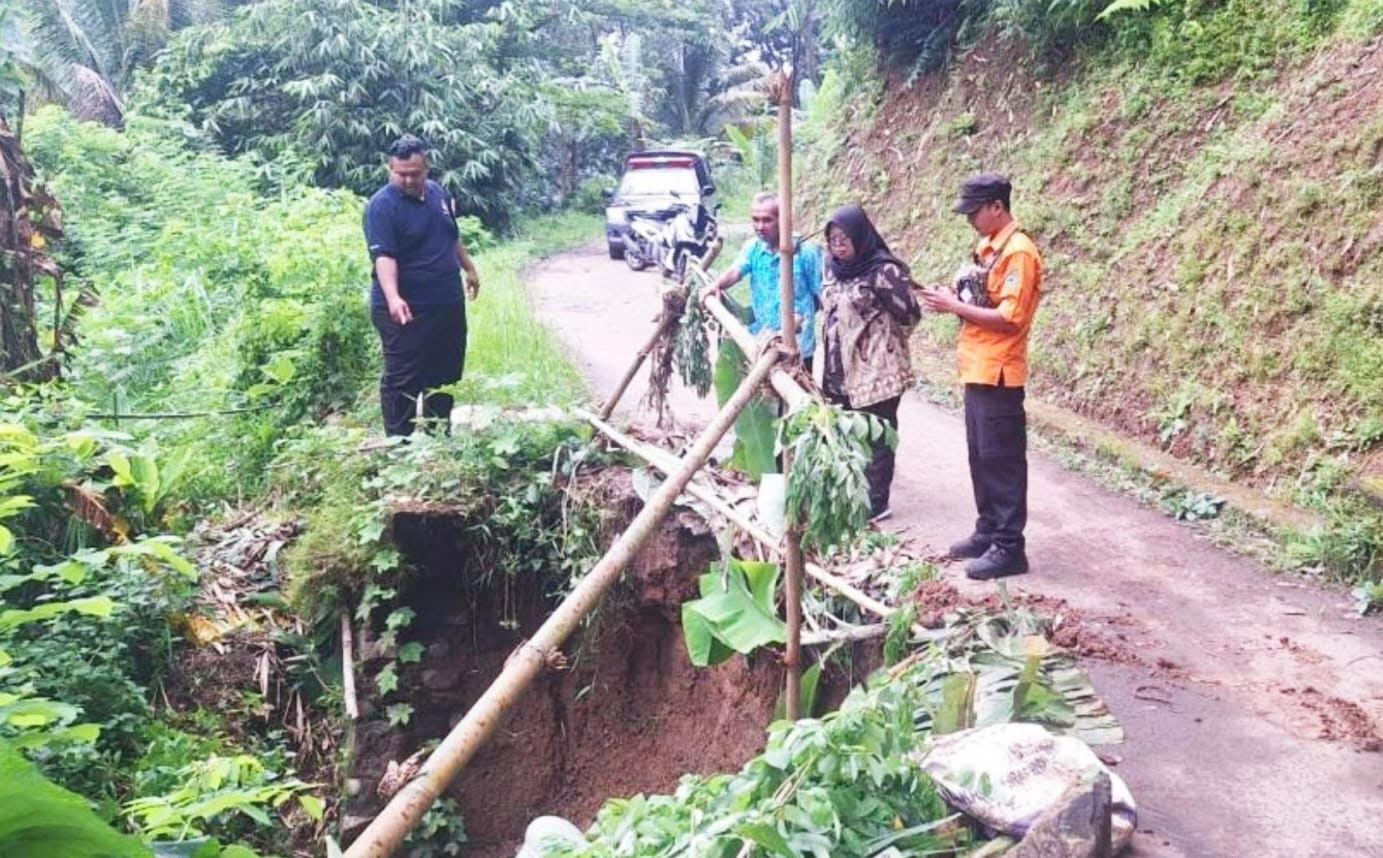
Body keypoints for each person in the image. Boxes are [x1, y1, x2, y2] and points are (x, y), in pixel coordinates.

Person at [920, 173, 1044, 580]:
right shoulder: (988, 248)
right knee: (980, 456)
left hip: (1000, 371)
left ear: (996, 207)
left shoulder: (1019, 253)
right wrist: (951, 299)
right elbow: (978, 298)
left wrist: (954, 306)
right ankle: (988, 530)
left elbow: (1010, 318)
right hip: (976, 367)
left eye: (975, 212)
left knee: (1002, 461)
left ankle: (1010, 547)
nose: (970, 220)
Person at [363, 135, 480, 436]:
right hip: (406, 308)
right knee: (403, 379)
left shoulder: (438, 194)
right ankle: (398, 449)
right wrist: (393, 297)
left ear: (427, 169)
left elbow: (449, 235)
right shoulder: (381, 207)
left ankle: (437, 437)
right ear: (390, 170)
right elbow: (383, 257)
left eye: (415, 173)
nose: (408, 180)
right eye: (401, 174)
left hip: (447, 303)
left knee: (444, 374)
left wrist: (469, 267)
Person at [818, 204, 921, 522]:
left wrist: (882, 341)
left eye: (844, 240)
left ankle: (877, 503)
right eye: (833, 240)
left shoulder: (883, 270)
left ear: (860, 238)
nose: (838, 246)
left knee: (878, 433)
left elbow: (910, 313)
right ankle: (851, 496)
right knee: (846, 431)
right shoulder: (832, 269)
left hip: (876, 368)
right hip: (838, 368)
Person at [708, 192, 822, 362]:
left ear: (783, 219)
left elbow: (821, 293)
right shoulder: (753, 248)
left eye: (767, 220)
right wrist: (716, 285)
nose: (760, 226)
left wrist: (803, 318)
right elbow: (736, 271)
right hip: (763, 342)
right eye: (755, 219)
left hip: (798, 347)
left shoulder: (805, 252)